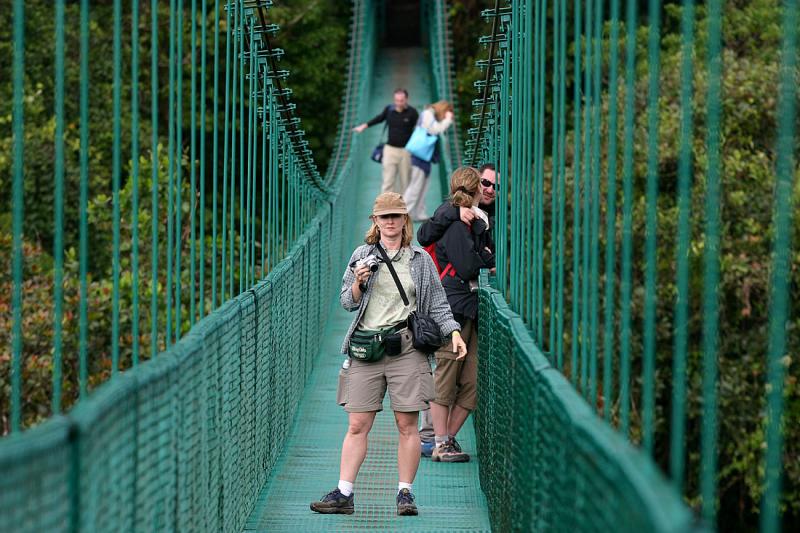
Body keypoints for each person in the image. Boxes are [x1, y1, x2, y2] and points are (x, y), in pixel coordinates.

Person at [310, 192, 467, 517]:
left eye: (396, 215)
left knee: (406, 424)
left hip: (406, 347)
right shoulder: (362, 255)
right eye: (385, 216)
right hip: (366, 347)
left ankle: (405, 494)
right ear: (375, 221)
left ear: (404, 220)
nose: (391, 221)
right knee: (357, 424)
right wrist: (358, 282)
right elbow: (346, 301)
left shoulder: (420, 260)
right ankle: (344, 493)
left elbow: (437, 303)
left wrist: (453, 331)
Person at [416, 162, 497, 457]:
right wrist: (486, 259)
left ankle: (445, 439)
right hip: (452, 308)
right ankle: (439, 441)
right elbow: (466, 265)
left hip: (472, 307)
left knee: (471, 382)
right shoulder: (454, 223)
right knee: (446, 376)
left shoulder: (478, 220)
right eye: (484, 185)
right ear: (475, 189)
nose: (489, 190)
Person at [353, 89, 419, 194]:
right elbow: (379, 118)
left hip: (406, 151)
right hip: (389, 150)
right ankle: (385, 208)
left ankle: (403, 208)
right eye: (396, 100)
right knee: (387, 181)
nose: (399, 103)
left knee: (405, 183)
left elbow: (419, 129)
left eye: (401, 100)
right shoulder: (389, 109)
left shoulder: (412, 112)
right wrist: (364, 126)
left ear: (406, 99)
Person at [402, 101, 454, 221]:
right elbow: (434, 130)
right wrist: (447, 120)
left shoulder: (431, 115)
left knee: (423, 187)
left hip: (426, 156)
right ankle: (403, 213)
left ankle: (418, 213)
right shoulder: (427, 113)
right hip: (419, 155)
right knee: (415, 186)